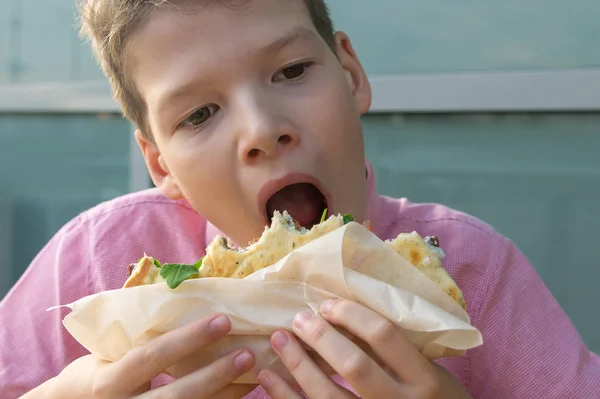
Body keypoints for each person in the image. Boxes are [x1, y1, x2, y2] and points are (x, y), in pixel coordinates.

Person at [1, 0, 599, 397]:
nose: (262, 130)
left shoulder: (474, 271)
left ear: (351, 75)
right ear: (161, 165)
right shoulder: (99, 263)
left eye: (290, 71)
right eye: (200, 113)